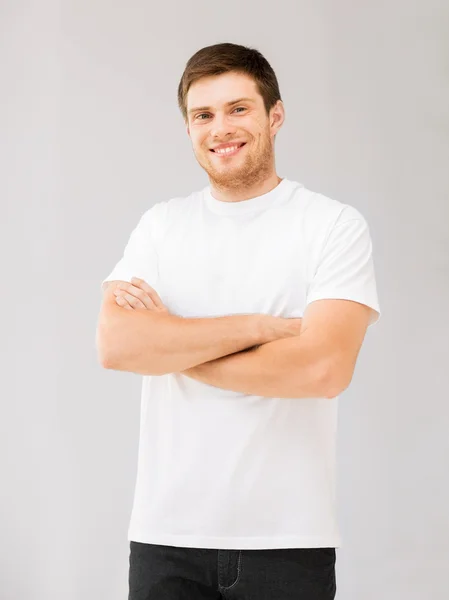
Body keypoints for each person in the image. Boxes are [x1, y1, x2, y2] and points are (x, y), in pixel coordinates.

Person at [97, 42, 381, 600]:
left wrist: (175, 350)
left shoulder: (332, 226)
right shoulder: (160, 227)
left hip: (287, 538)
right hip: (165, 536)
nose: (220, 128)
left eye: (238, 109)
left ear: (275, 115)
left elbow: (322, 369)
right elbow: (117, 347)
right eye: (203, 115)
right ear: (188, 128)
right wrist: (261, 328)